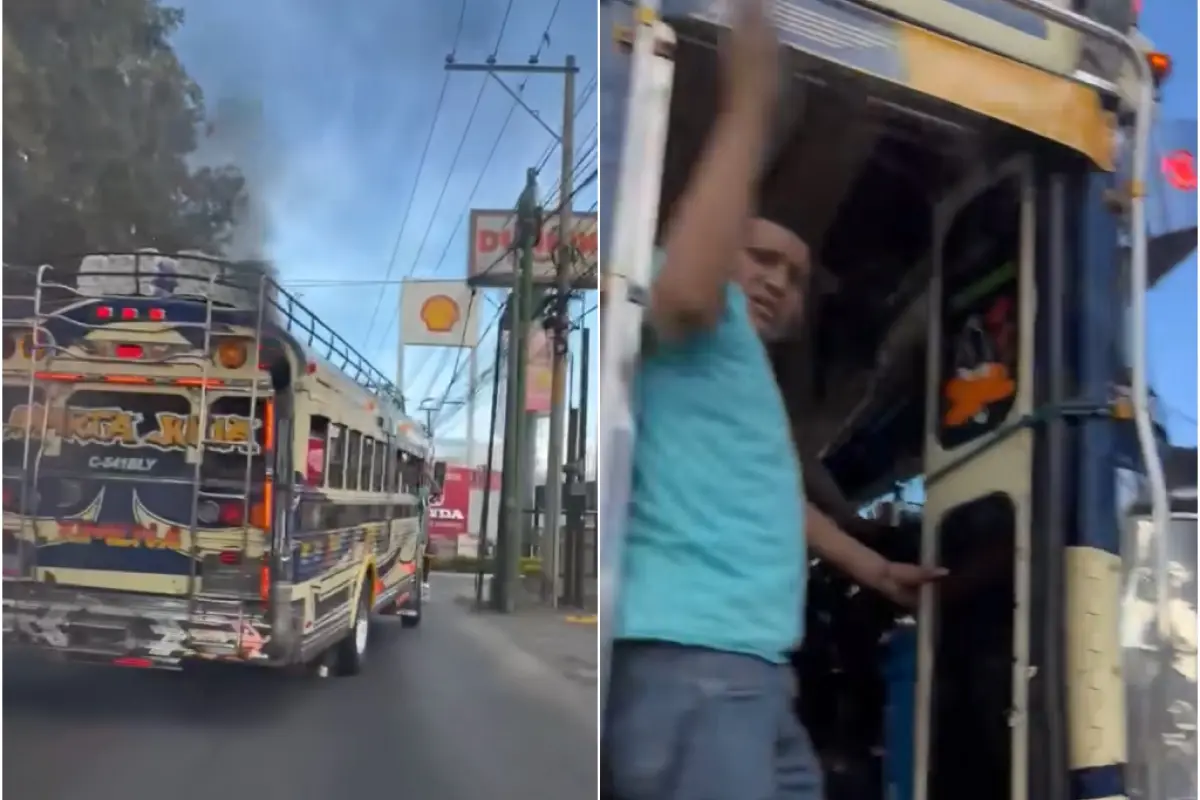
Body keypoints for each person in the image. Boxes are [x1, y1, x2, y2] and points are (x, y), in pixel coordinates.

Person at [602, 2, 945, 798]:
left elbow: (772, 495)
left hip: (749, 669)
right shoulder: (699, 309)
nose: (774, 280)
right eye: (756, 257)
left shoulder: (738, 373)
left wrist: (872, 565)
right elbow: (688, 286)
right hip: (697, 661)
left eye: (793, 276)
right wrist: (750, 107)